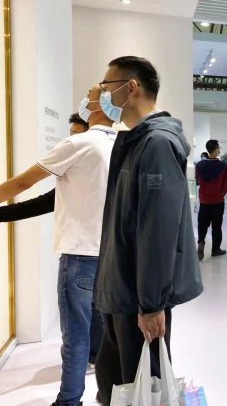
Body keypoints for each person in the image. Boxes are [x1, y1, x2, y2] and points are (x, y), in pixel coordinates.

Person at [93, 56, 203, 405]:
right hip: (121, 291)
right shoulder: (135, 141)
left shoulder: (156, 144)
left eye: (107, 86)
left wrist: (152, 305)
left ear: (131, 88)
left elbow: (157, 232)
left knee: (144, 389)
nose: (102, 94)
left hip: (137, 298)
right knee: (117, 384)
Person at [0, 87, 116, 406]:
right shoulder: (119, 145)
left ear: (97, 106)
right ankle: (102, 390)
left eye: (91, 94)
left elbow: (22, 183)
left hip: (80, 256)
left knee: (75, 337)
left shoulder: (78, 145)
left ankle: (68, 401)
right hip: (110, 256)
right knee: (102, 327)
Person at [195, 139, 227, 260]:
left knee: (202, 224)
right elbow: (226, 184)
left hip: (204, 201)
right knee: (216, 226)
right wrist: (220, 194)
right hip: (218, 201)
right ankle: (215, 249)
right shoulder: (223, 166)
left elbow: (197, 179)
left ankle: (201, 243)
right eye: (218, 148)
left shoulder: (199, 165)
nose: (219, 150)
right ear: (216, 150)